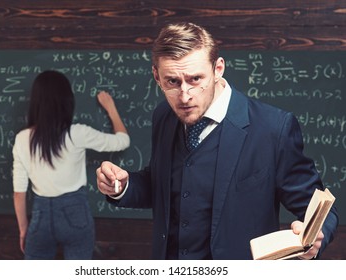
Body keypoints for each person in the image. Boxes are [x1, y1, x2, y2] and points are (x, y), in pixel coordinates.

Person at [96, 22, 338, 260]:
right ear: (156, 76)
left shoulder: (273, 128)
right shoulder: (164, 116)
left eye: (195, 79)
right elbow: (164, 185)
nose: (184, 96)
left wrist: (316, 236)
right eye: (172, 82)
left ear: (218, 69)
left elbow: (320, 211)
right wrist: (122, 186)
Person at [12, 70, 130, 259]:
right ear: (67, 101)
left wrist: (24, 229)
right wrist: (111, 108)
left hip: (40, 216)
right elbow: (122, 141)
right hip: (76, 213)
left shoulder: (22, 139)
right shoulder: (77, 134)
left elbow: (19, 193)